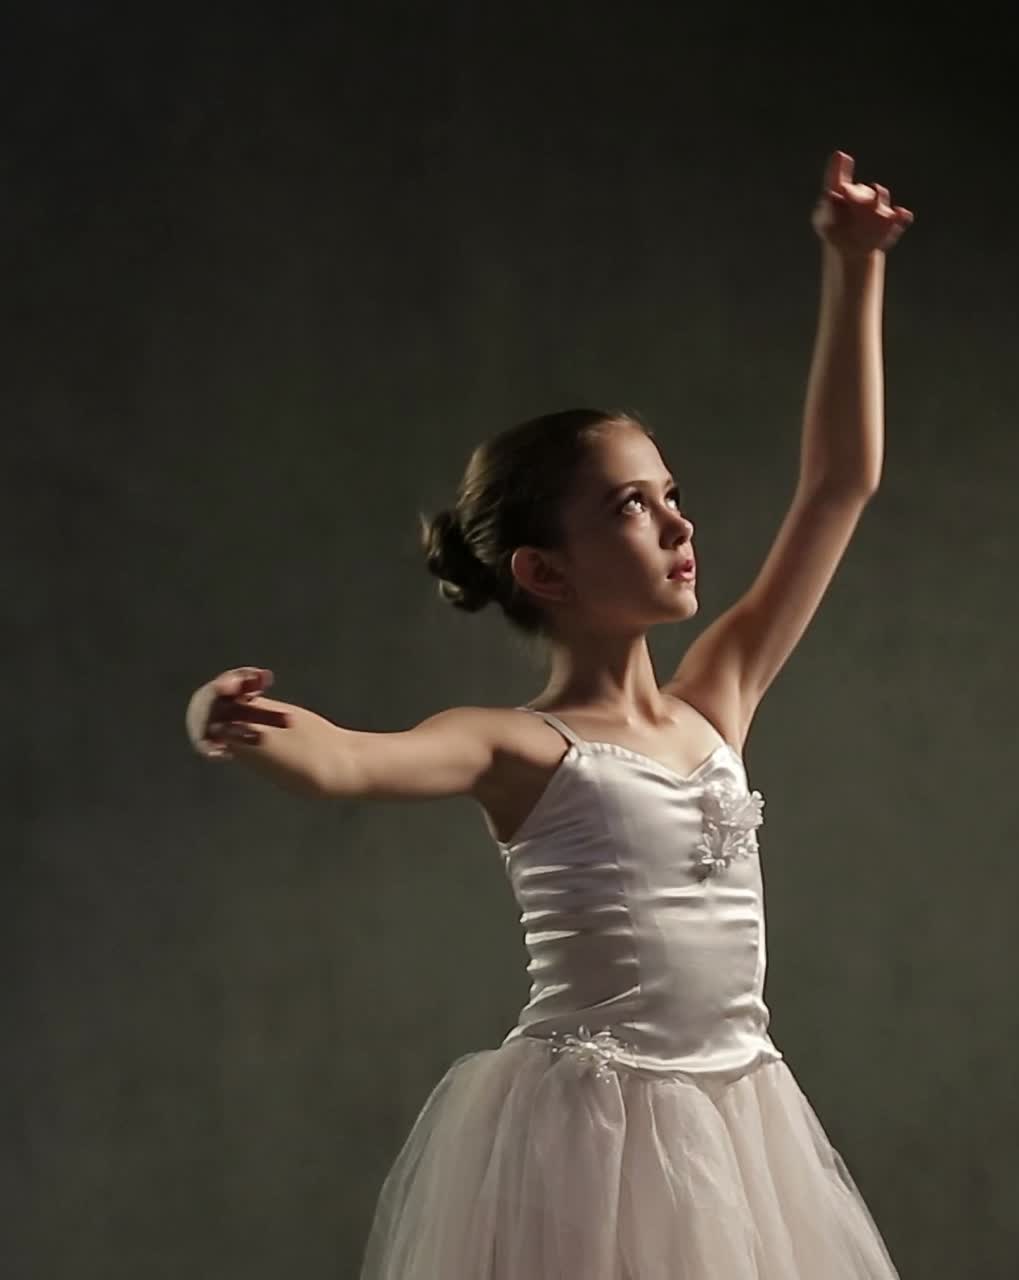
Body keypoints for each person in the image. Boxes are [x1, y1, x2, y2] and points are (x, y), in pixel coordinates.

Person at [185, 150, 914, 1278]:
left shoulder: (715, 696)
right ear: (544, 569)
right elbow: (346, 761)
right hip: (597, 1135)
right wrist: (225, 717)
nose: (676, 524)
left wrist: (851, 265)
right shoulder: (519, 744)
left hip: (743, 1116)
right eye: (631, 504)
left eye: (671, 494)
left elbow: (838, 481)